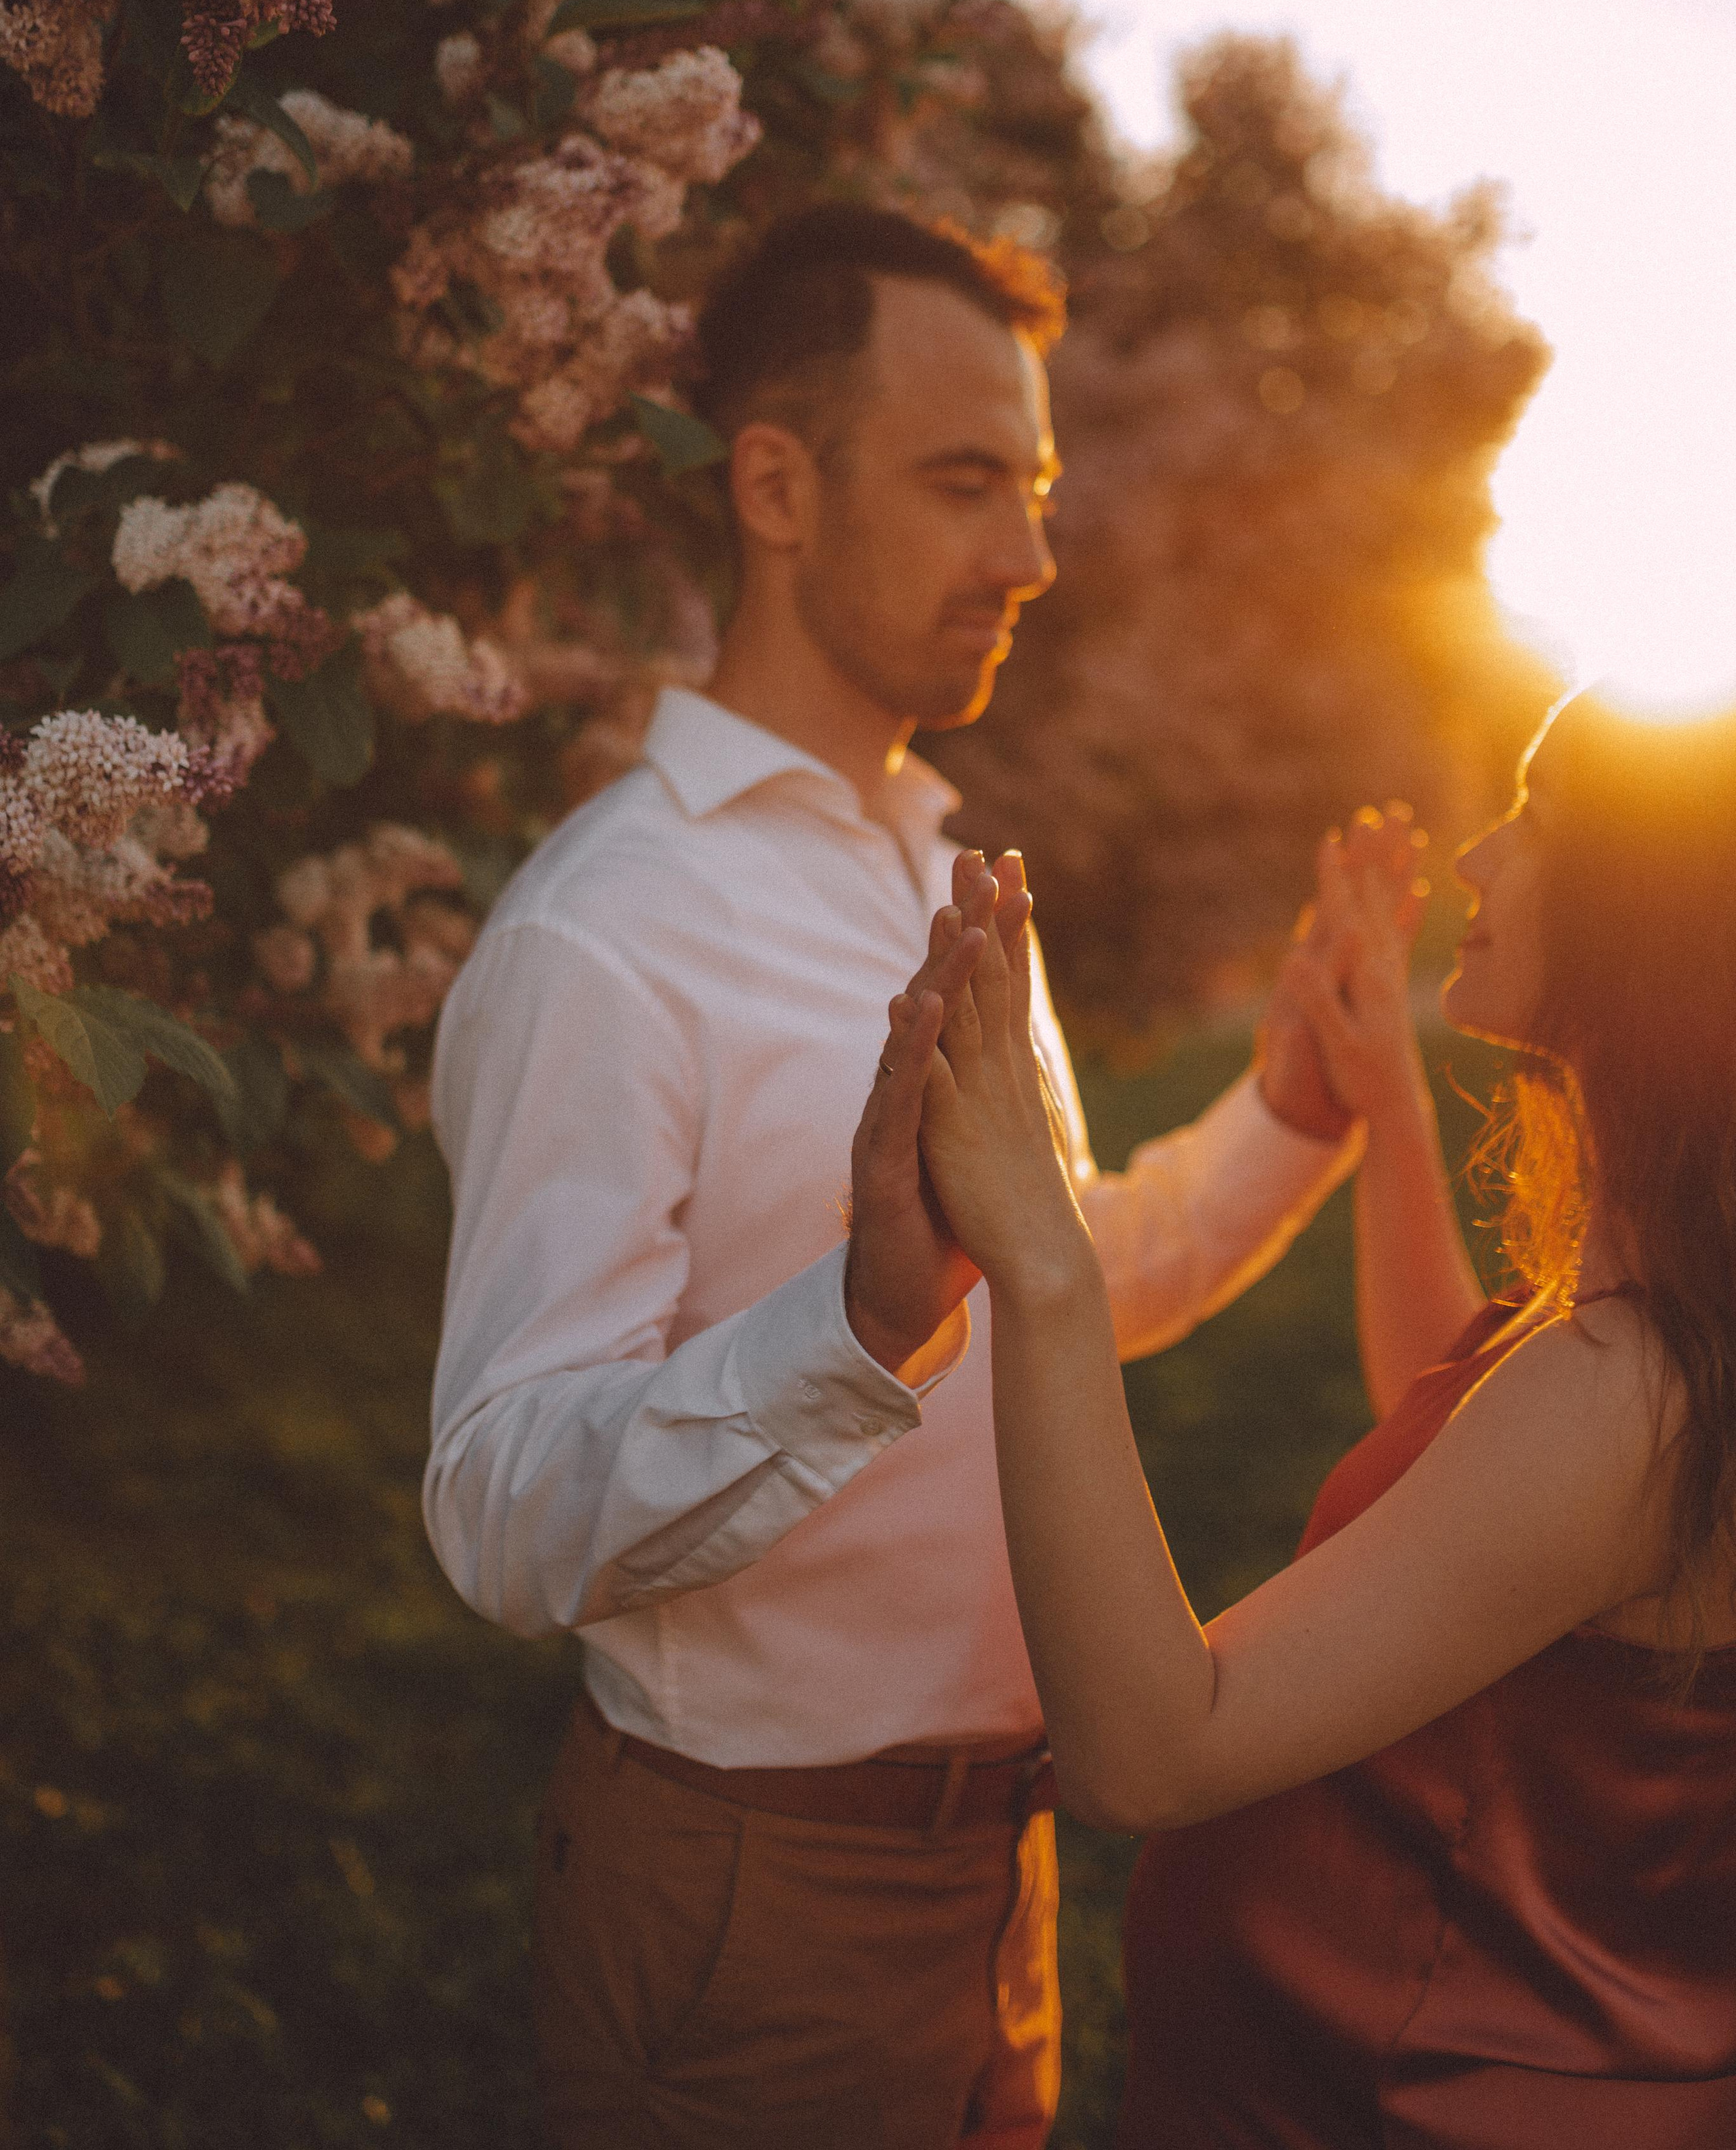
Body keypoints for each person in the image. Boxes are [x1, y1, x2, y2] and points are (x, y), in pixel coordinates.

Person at [422, 204, 1370, 2150]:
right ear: (776, 485)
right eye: (964, 484)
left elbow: (1050, 1285)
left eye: (1034, 488)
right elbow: (498, 1510)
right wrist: (850, 1327)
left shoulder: (935, 871)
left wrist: (1288, 1111)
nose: (1030, 555)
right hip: (748, 1899)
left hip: (1001, 1875)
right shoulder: (608, 933)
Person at [861, 685, 1736, 2149]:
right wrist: (1388, 1097)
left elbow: (1150, 1750)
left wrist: (1041, 1260)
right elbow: (1463, 1450)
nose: (1477, 856)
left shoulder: (1636, 1390)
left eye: (1535, 818)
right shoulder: (1653, 1333)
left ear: (1647, 906)